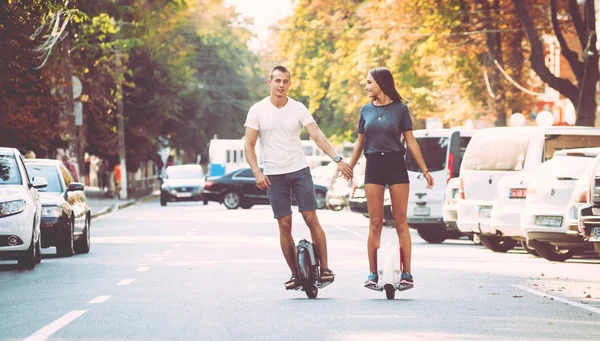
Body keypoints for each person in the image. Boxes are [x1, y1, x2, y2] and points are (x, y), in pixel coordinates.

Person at [244, 65, 353, 290]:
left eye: (285, 81)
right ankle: (295, 274)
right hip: (274, 175)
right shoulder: (257, 110)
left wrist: (337, 158)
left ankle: (325, 269)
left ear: (289, 84)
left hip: (299, 170)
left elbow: (316, 135)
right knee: (284, 224)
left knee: (311, 218)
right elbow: (249, 144)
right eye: (277, 81)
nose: (281, 85)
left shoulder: (298, 108)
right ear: (270, 82)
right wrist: (257, 171)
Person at [346, 67, 434, 291]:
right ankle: (372, 274)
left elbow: (411, 141)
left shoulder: (400, 110)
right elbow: (359, 144)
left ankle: (407, 274)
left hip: (396, 164)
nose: (366, 87)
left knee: (401, 222)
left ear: (381, 83)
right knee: (375, 223)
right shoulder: (365, 110)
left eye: (369, 82)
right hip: (373, 165)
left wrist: (425, 170)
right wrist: (349, 167)